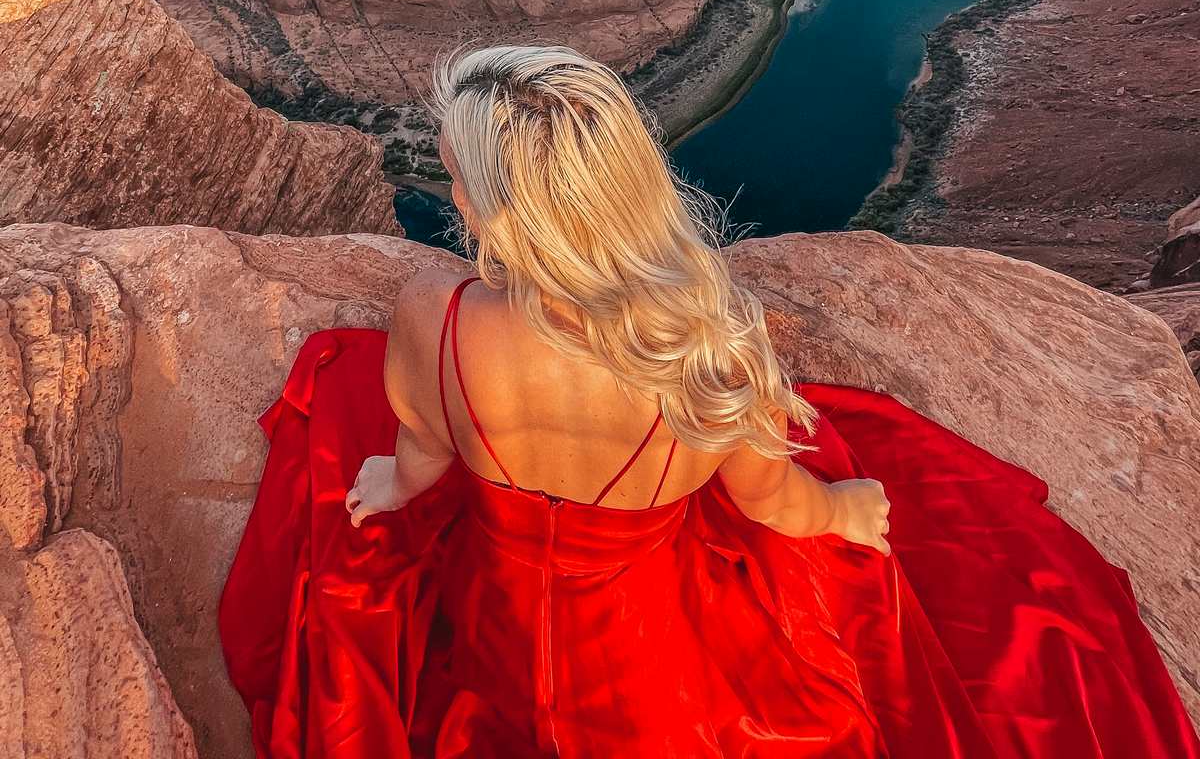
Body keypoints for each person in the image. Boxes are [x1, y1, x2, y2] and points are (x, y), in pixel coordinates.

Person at [221, 44, 1200, 759]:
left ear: (505, 210)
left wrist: (390, 485)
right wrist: (845, 510)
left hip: (500, 648)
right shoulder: (708, 354)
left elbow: (421, 453)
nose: (455, 196)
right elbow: (776, 504)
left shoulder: (433, 317)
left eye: (458, 177)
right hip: (655, 683)